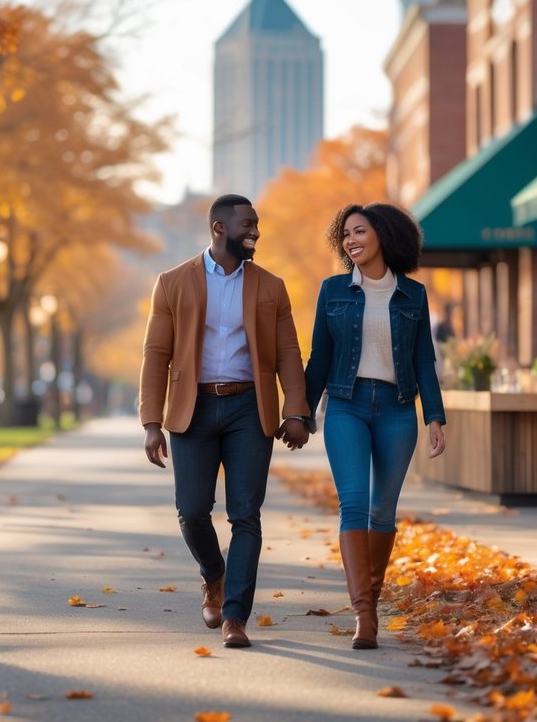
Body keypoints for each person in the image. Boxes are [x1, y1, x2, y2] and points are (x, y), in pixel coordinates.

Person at [139, 193, 311, 649]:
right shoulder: (173, 282)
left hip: (247, 409)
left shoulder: (270, 286)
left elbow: (289, 353)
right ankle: (214, 573)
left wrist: (296, 410)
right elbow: (156, 353)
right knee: (192, 511)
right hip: (191, 408)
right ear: (219, 229)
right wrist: (151, 421)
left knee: (245, 515)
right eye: (247, 224)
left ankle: (236, 615)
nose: (255, 231)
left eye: (256, 223)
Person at [304, 202, 446, 650]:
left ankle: (374, 598)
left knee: (383, 511)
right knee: (354, 504)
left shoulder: (414, 295)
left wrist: (435, 416)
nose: (351, 240)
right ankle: (363, 615)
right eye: (345, 234)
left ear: (383, 234)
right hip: (345, 405)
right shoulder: (333, 291)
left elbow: (424, 359)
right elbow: (320, 359)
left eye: (359, 231)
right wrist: (301, 412)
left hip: (397, 409)